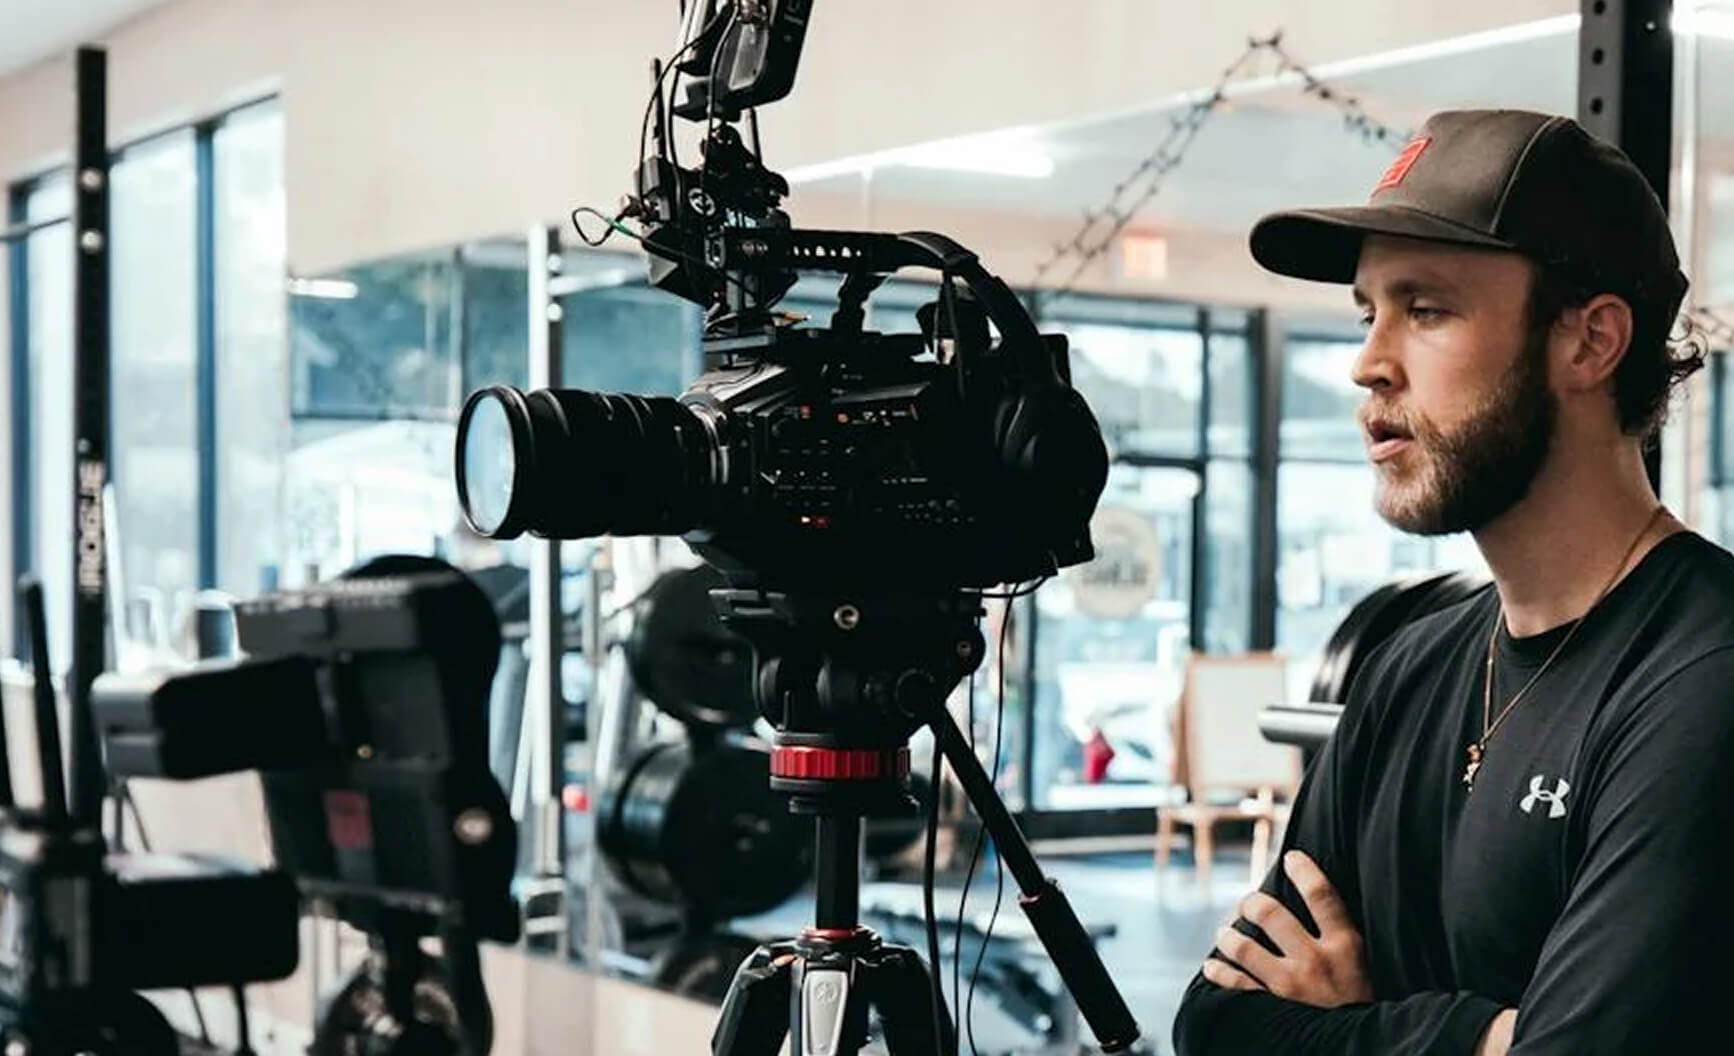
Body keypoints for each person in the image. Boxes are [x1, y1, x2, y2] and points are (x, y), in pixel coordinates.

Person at [1171, 108, 1734, 1055]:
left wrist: (1348, 1028)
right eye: (1367, 311)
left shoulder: (1703, 676)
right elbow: (1217, 1022)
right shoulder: (1406, 665)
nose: (1366, 363)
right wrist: (1471, 1040)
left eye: (1425, 309)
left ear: (1591, 342)